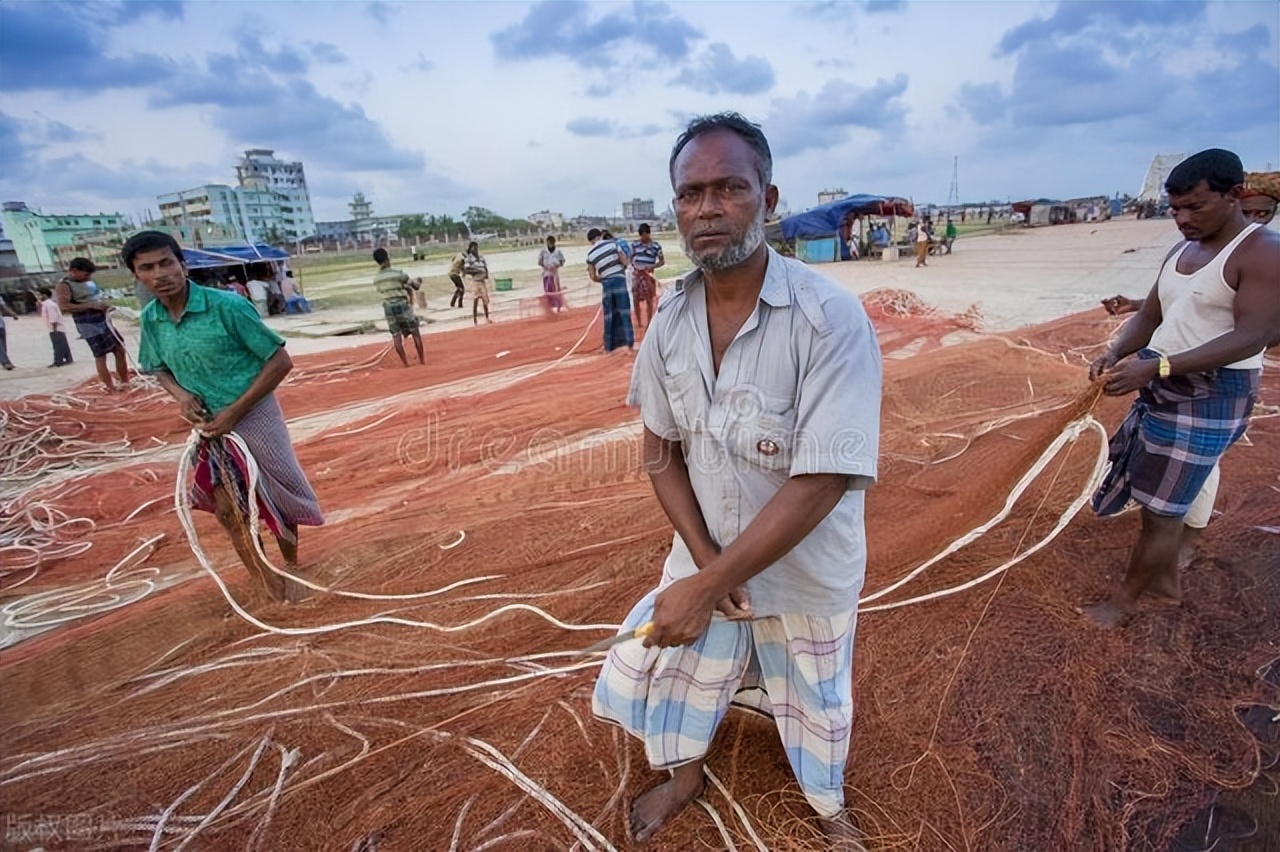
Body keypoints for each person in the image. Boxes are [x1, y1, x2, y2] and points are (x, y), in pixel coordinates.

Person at [592, 112, 881, 848]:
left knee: (815, 700)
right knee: (681, 682)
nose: (707, 208)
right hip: (705, 561)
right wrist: (703, 565)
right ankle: (685, 777)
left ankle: (826, 803)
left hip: (806, 573)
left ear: (769, 197)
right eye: (691, 193)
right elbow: (659, 450)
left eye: (730, 188)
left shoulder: (828, 320)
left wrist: (713, 576)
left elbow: (821, 480)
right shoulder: (670, 323)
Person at [1084, 149, 1278, 628]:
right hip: (1163, 382)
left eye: (1195, 206)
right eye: (1174, 209)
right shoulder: (1182, 249)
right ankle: (1166, 587)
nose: (1182, 219)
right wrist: (1117, 351)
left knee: (1163, 511)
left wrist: (1159, 369)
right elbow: (1151, 316)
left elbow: (1251, 337)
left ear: (1234, 196)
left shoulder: (1262, 252)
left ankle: (1123, 605)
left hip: (1211, 394)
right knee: (1153, 493)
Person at [129, 230, 324, 603]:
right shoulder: (152, 319)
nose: (160, 274)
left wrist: (235, 412)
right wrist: (181, 396)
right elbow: (157, 368)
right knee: (228, 511)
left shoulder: (227, 307)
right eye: (147, 268)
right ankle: (269, 585)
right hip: (208, 424)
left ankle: (291, 564)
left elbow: (279, 361)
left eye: (167, 263)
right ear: (137, 276)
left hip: (253, 412)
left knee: (276, 495)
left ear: (183, 265)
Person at [55, 257, 130, 392]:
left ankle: (125, 382)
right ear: (74, 271)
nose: (88, 278)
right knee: (100, 355)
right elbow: (64, 307)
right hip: (87, 322)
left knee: (119, 349)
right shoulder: (64, 285)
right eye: (86, 275)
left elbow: (95, 297)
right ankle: (110, 388)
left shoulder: (87, 282)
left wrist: (105, 306)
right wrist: (91, 305)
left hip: (102, 318)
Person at [372, 247, 424, 367]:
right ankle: (422, 360)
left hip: (388, 307)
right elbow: (413, 285)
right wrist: (418, 282)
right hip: (401, 304)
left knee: (396, 334)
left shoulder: (377, 279)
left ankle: (405, 363)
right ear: (387, 258)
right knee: (415, 331)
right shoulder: (398, 274)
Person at [585, 227, 633, 354]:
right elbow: (625, 261)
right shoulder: (613, 245)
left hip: (607, 283)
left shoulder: (590, 255)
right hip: (619, 279)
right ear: (600, 236)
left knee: (609, 315)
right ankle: (628, 343)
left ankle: (609, 346)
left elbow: (593, 276)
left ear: (590, 241)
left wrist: (604, 279)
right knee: (624, 312)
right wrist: (624, 266)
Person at [630, 223, 665, 329]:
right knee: (636, 298)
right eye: (641, 236)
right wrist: (634, 266)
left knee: (649, 298)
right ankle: (639, 322)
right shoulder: (635, 245)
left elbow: (662, 261)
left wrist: (652, 267)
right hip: (637, 274)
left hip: (648, 275)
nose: (642, 238)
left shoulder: (656, 246)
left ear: (648, 234)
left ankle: (649, 321)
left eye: (644, 235)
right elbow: (630, 258)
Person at [37, 289, 74, 367]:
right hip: (55, 328)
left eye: (40, 294)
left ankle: (58, 361)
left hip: (56, 328)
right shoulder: (45, 304)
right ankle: (68, 358)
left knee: (57, 345)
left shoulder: (49, 305)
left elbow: (53, 317)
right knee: (62, 344)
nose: (38, 296)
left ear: (45, 295)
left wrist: (54, 328)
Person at [463, 241, 492, 325]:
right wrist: (477, 271)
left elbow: (485, 267)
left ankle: (487, 318)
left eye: (476, 248)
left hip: (482, 280)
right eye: (473, 248)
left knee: (485, 299)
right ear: (471, 248)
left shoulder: (481, 257)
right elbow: (467, 270)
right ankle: (475, 320)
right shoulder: (469, 259)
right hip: (476, 281)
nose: (475, 249)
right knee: (475, 299)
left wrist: (486, 274)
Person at [537, 235, 567, 314]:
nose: (550, 244)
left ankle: (558, 307)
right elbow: (540, 262)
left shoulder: (558, 251)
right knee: (548, 289)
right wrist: (546, 266)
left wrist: (557, 265)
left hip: (555, 273)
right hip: (547, 273)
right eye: (549, 243)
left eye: (552, 243)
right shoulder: (543, 251)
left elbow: (562, 261)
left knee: (556, 289)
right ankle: (550, 307)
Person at [0, 299, 16, 370]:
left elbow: (3, 306)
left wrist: (12, 313)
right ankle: (6, 362)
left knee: (3, 345)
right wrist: (12, 314)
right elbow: (3, 306)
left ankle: (5, 361)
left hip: (1, 323)